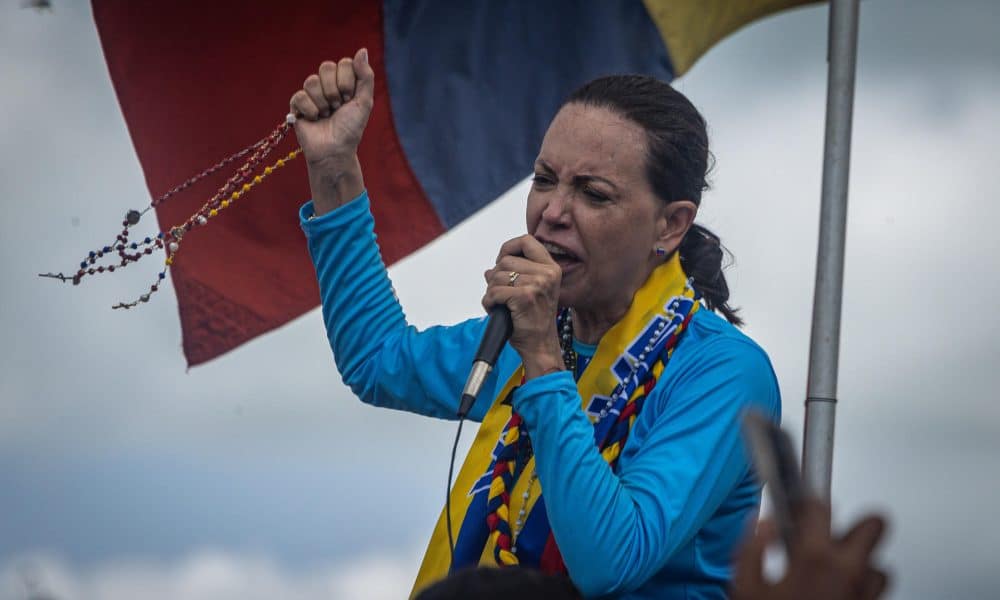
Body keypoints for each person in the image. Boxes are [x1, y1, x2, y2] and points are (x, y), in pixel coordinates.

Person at [290, 48, 781, 599]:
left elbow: (610, 561)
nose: (552, 211)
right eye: (545, 179)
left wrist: (544, 364)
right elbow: (378, 360)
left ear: (670, 225)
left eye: (593, 193)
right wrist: (333, 170)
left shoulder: (723, 372)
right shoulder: (538, 334)